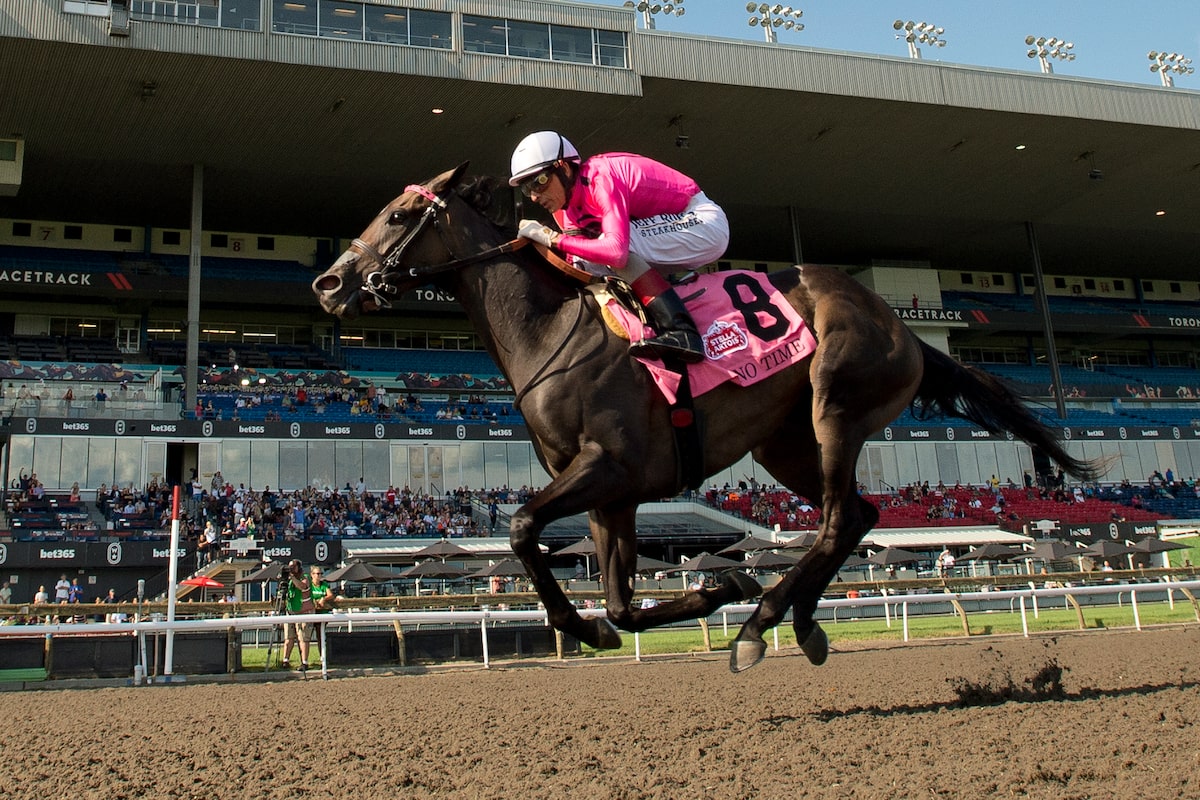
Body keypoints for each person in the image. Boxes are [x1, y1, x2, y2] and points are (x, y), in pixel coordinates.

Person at [509, 131, 729, 364]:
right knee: (585, 259)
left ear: (563, 168)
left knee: (612, 247)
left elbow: (616, 251)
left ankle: (682, 330)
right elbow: (577, 264)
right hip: (672, 230)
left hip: (703, 222)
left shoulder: (600, 176)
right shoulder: (568, 209)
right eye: (526, 188)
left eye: (539, 182)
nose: (534, 196)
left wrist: (551, 238)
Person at [280, 560, 315, 670]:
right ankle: (285, 660)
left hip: (304, 612)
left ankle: (304, 662)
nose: (291, 569)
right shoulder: (289, 580)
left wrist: (292, 578)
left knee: (303, 638)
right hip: (291, 612)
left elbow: (302, 586)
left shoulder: (305, 577)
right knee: (288, 637)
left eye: (293, 567)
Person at [307, 565, 336, 668]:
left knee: (321, 637)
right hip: (310, 614)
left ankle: (322, 658)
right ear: (312, 575)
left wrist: (323, 598)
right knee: (306, 638)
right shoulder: (309, 585)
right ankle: (305, 660)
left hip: (321, 615)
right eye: (317, 574)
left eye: (320, 574)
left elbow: (331, 595)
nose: (319, 576)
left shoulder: (324, 585)